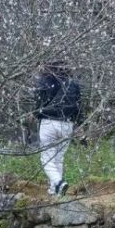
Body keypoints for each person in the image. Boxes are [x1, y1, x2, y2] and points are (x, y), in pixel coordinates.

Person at [34, 61, 81, 196]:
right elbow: (79, 106)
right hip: (67, 123)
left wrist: (36, 113)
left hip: (48, 121)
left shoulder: (45, 82)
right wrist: (78, 122)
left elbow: (38, 101)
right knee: (58, 158)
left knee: (46, 159)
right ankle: (55, 190)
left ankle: (59, 182)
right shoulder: (73, 84)